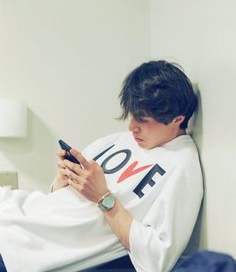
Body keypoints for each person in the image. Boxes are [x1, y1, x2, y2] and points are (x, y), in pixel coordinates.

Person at [0, 60, 203, 272]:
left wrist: (103, 198)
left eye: (142, 120)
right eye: (132, 115)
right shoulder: (117, 140)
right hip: (16, 214)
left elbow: (158, 259)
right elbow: (57, 201)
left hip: (23, 249)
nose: (131, 127)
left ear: (176, 119)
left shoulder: (182, 166)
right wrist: (64, 178)